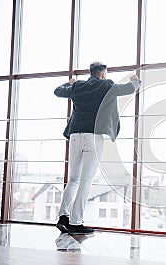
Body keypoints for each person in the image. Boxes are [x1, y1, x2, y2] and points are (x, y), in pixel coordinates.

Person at [54, 62, 141, 235]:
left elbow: (58, 91)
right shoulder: (106, 85)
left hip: (74, 135)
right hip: (93, 136)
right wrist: (135, 80)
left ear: (91, 73)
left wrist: (70, 83)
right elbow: (129, 89)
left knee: (73, 179)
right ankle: (76, 222)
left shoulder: (78, 86)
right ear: (102, 75)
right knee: (86, 180)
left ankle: (63, 217)